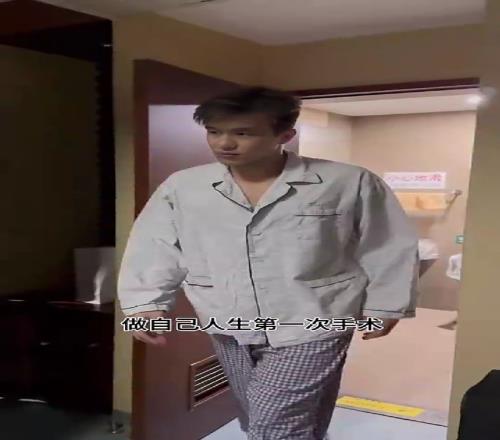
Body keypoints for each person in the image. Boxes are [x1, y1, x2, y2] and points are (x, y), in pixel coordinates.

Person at [117, 87, 419, 439]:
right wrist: (145, 304)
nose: (224, 143)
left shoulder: (347, 182)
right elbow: (154, 245)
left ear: (285, 135)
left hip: (314, 320)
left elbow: (387, 244)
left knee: (272, 426)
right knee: (264, 416)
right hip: (226, 321)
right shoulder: (184, 187)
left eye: (243, 133)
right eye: (214, 131)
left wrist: (386, 305)